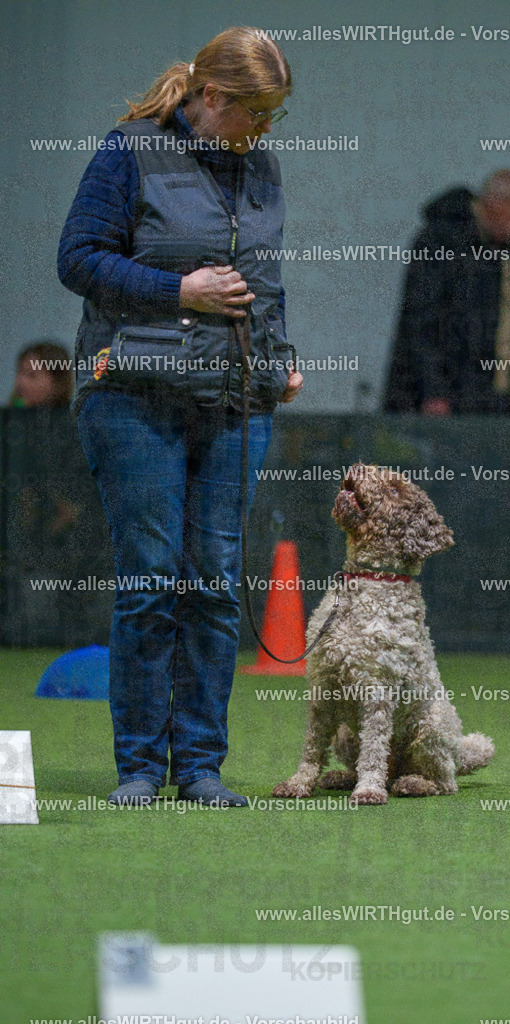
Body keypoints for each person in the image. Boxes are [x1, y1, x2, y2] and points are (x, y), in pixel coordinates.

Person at [58, 26, 302, 808]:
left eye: (274, 116)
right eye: (255, 112)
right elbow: (78, 258)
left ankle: (200, 766)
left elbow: (263, 279)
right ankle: (138, 766)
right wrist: (178, 293)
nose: (264, 130)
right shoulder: (129, 151)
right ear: (214, 97)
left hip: (235, 399)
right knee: (151, 580)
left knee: (216, 585)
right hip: (132, 392)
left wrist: (279, 352)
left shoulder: (256, 161)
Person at [383, 169, 510, 415]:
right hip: (446, 402)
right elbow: (421, 321)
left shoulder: (508, 257)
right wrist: (433, 391)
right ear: (495, 203)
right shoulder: (440, 241)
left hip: (495, 402)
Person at [9, 340, 73, 408]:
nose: (20, 382)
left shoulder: (73, 416)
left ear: (57, 382)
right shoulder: (12, 412)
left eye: (32, 375)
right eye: (19, 373)